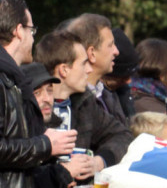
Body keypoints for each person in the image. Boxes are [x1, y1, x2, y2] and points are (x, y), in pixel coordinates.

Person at [0, 0, 75, 188]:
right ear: (18, 31)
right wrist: (46, 144)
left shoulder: (11, 78)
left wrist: (57, 173)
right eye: (32, 30)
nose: (33, 38)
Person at [34, 31, 130, 179]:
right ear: (64, 70)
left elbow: (122, 135)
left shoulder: (84, 103)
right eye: (84, 63)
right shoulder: (30, 107)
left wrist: (98, 162)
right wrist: (62, 173)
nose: (89, 69)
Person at [65, 14, 125, 126]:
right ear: (92, 53)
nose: (116, 51)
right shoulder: (71, 102)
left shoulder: (108, 95)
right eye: (110, 45)